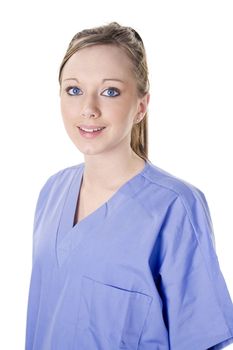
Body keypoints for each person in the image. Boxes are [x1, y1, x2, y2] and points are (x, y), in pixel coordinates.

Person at [25, 22, 233, 350]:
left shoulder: (175, 207)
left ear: (141, 106)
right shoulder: (52, 192)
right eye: (74, 90)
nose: (88, 109)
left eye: (110, 91)